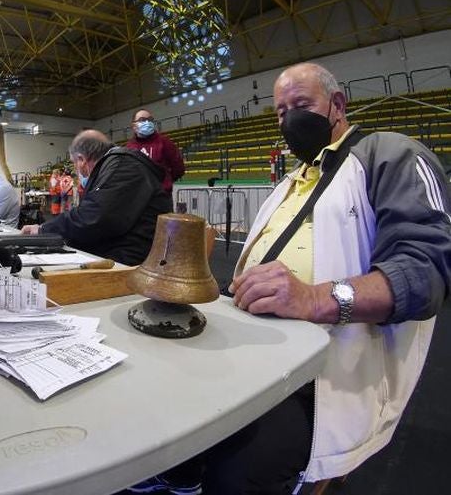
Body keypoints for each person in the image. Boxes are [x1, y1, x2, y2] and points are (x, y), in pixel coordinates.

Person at [127, 62, 451, 495]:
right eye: (280, 112)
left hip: (324, 371)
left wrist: (315, 299)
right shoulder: (287, 184)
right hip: (254, 349)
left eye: (301, 105)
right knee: (150, 390)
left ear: (337, 104)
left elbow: (425, 271)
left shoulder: (392, 153)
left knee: (239, 472)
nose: (289, 120)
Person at [21, 130, 171, 266]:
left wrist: (43, 229)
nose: (77, 170)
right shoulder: (116, 166)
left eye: (74, 164)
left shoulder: (122, 167)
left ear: (81, 159)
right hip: (123, 257)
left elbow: (93, 217)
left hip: (131, 265)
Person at [125, 108, 185, 198]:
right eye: (142, 120)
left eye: (150, 120)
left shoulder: (164, 142)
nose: (147, 122)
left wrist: (166, 181)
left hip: (160, 197)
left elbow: (178, 168)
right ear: (134, 126)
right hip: (137, 197)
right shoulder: (129, 147)